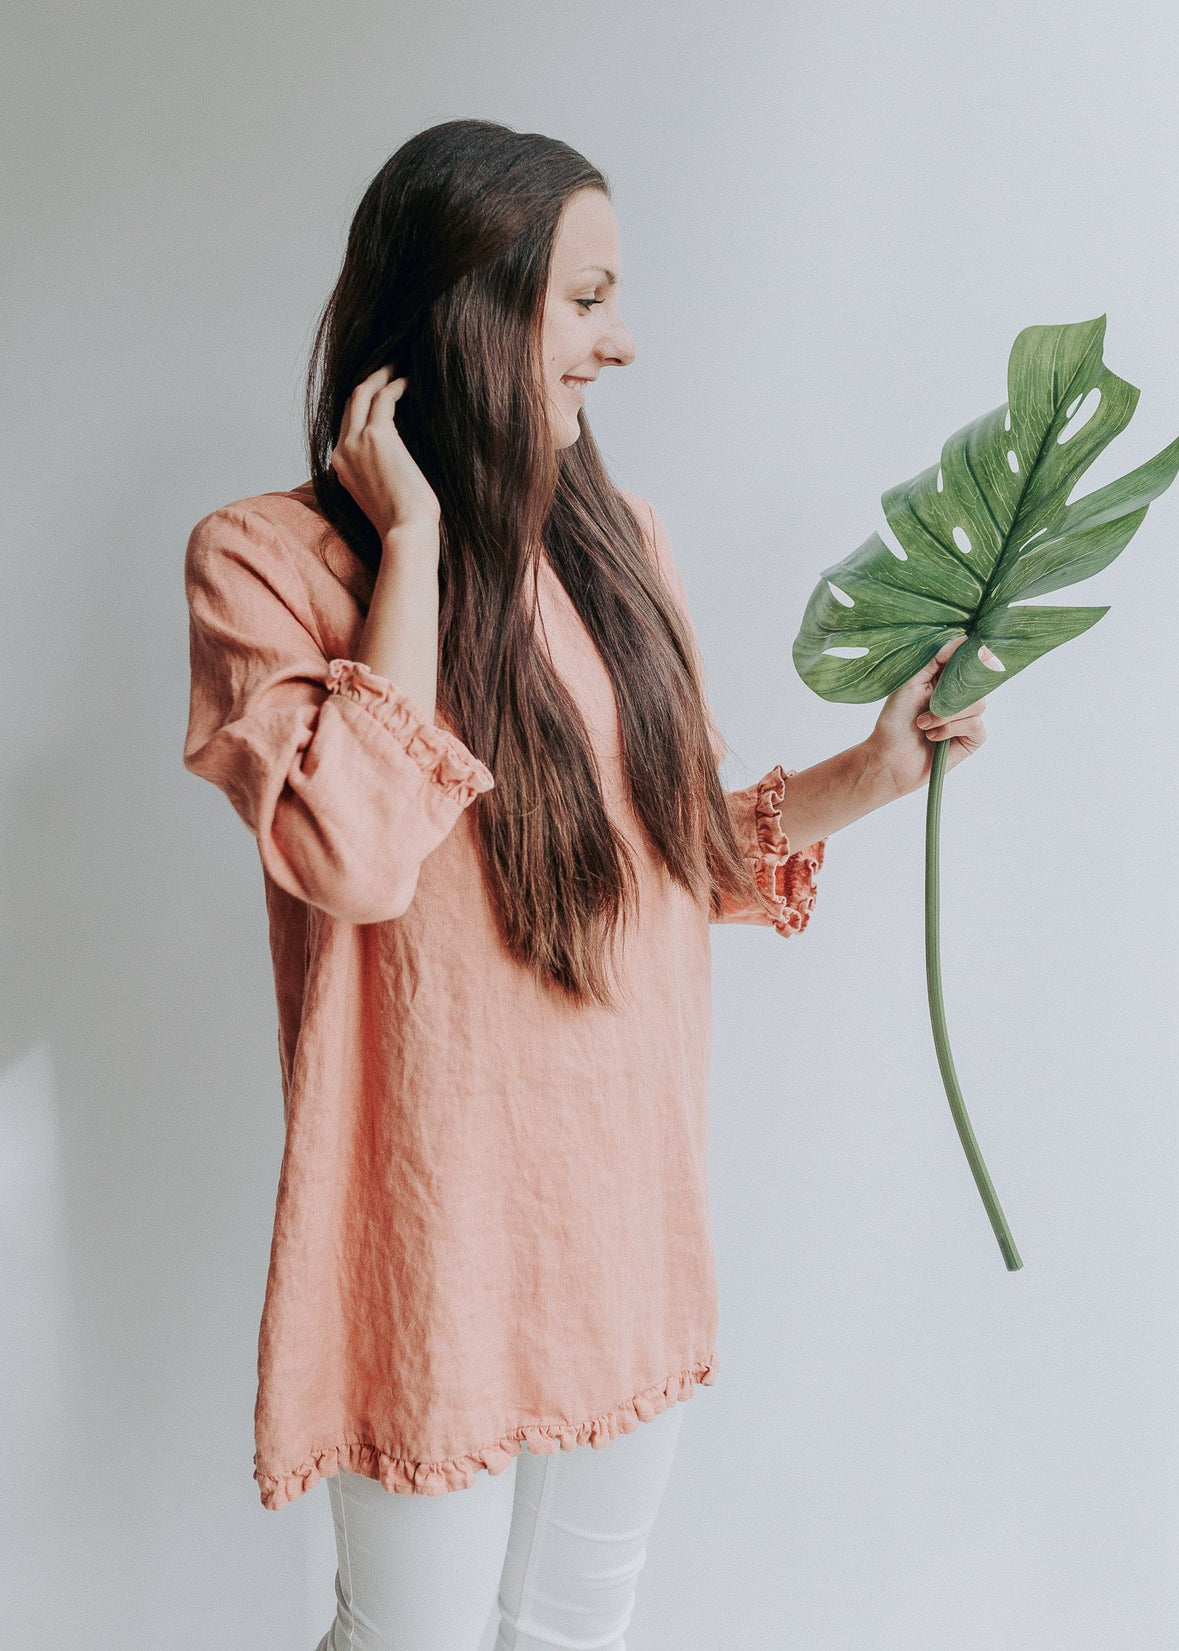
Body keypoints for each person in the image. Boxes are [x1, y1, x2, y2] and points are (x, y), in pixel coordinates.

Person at [181, 119, 987, 1651]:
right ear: (470, 309)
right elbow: (356, 855)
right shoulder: (266, 561)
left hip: (618, 1205)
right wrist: (411, 541)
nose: (624, 346)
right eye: (589, 299)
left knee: (576, 1626)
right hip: (428, 1231)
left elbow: (667, 851)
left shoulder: (622, 545)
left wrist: (868, 779)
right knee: (410, 1638)